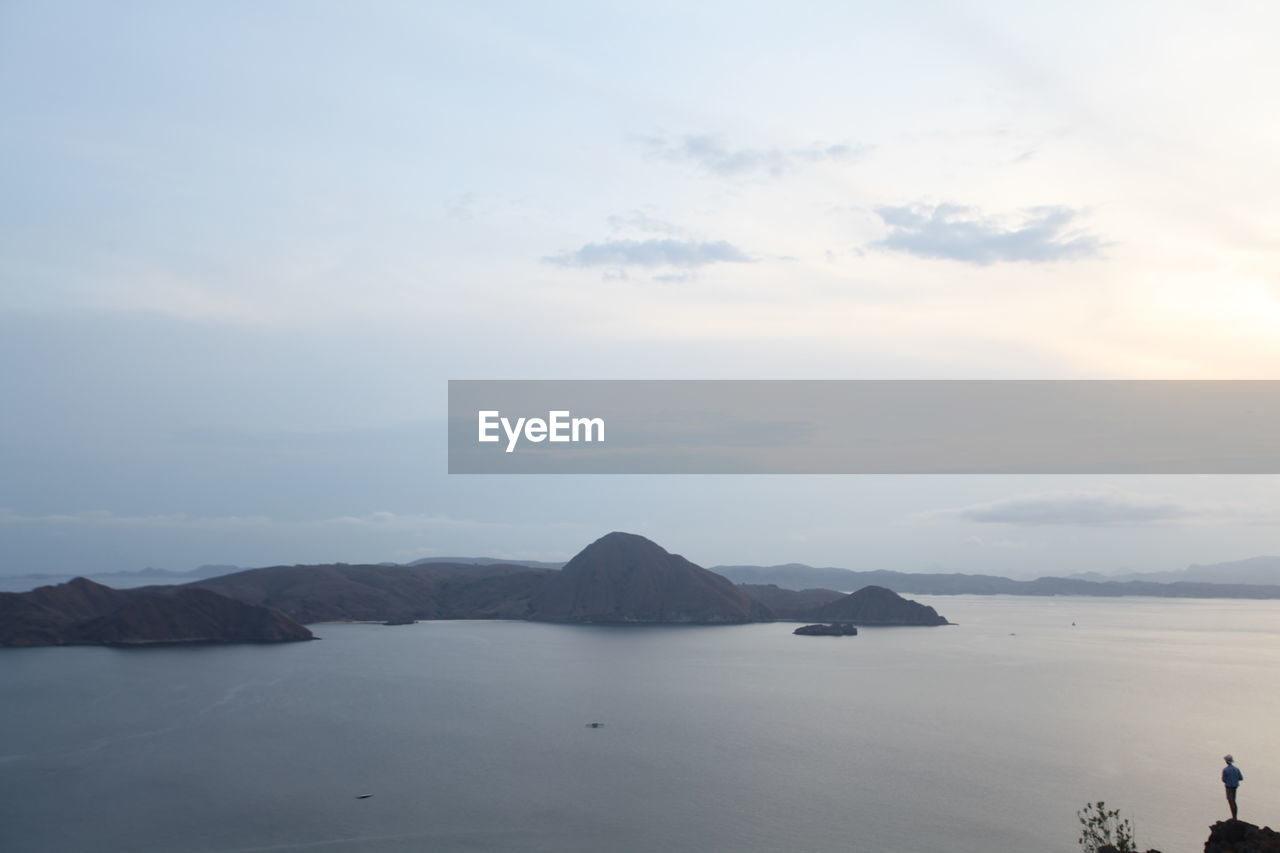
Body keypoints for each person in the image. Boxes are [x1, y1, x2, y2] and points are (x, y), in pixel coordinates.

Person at [1223, 754, 1243, 820]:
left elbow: (1224, 779)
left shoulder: (1225, 770)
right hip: (1235, 786)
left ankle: (1234, 817)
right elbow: (1241, 778)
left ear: (1226, 761)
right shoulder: (1237, 769)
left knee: (1230, 801)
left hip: (1229, 786)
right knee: (1234, 801)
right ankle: (1235, 816)